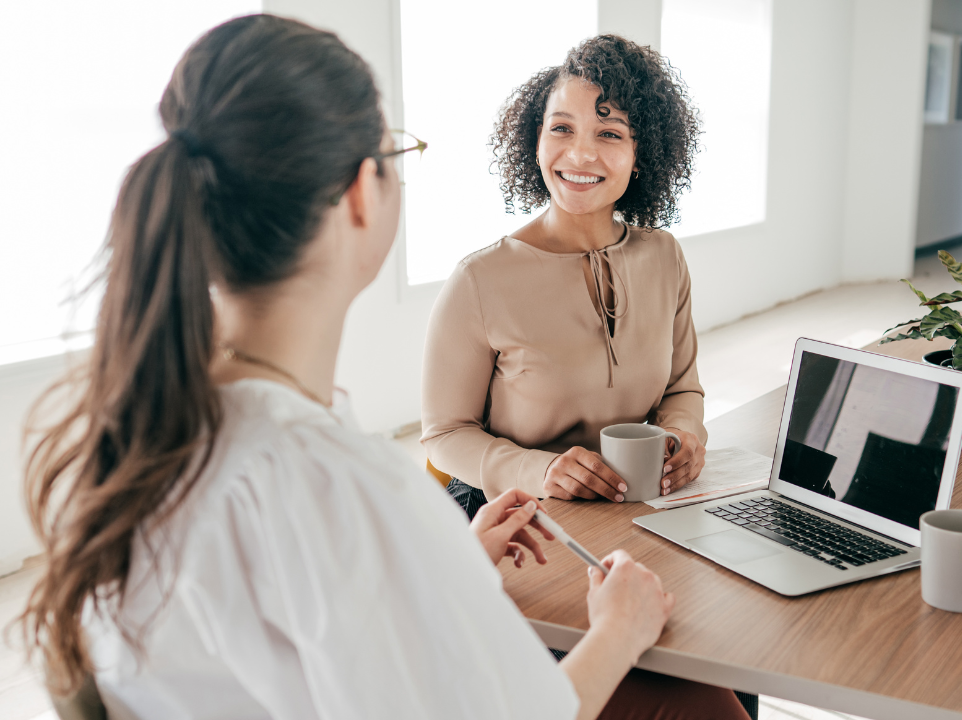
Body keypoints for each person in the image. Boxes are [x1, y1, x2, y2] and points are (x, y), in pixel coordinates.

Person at [17, 15, 748, 719]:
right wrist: (619, 628)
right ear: (364, 192)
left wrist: (449, 561)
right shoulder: (339, 482)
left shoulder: (148, 430)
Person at [422, 35, 709, 517]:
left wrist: (685, 435)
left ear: (643, 154)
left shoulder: (664, 257)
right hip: (509, 514)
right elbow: (444, 436)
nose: (579, 155)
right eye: (561, 128)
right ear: (535, 141)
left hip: (629, 506)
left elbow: (682, 387)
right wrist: (540, 470)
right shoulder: (479, 279)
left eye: (610, 133)